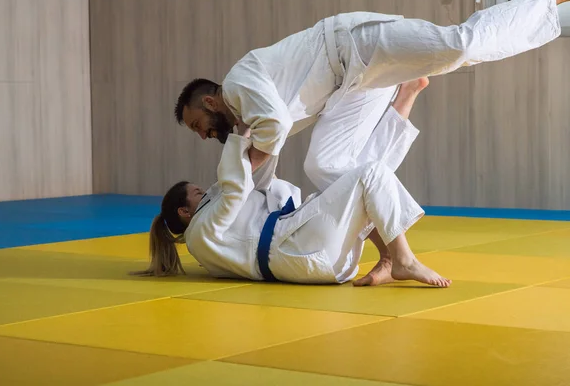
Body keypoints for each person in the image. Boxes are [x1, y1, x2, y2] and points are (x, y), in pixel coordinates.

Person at [172, 0, 569, 285]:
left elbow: (275, 124)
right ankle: (391, 256)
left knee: (458, 45)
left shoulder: (238, 85)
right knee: (327, 167)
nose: (203, 135)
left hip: (354, 46)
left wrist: (247, 160)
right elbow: (267, 141)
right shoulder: (245, 121)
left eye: (196, 125)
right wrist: (246, 156)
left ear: (210, 100)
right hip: (349, 87)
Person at [135, 78, 450, 286]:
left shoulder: (212, 226)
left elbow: (255, 181)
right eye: (196, 193)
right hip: (301, 250)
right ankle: (402, 259)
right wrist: (239, 140)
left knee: (359, 171)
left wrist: (260, 129)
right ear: (184, 212)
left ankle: (405, 96)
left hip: (321, 256)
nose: (204, 192)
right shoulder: (201, 234)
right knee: (368, 175)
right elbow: (233, 193)